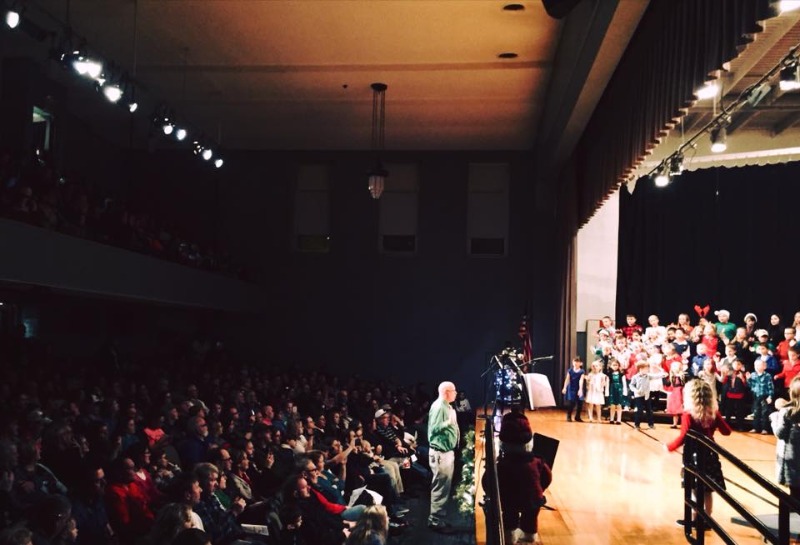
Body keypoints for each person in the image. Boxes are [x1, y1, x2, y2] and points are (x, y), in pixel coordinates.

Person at [667, 379, 732, 530]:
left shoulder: (688, 415)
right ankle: (706, 519)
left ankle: (696, 518)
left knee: (694, 488)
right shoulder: (713, 413)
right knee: (708, 489)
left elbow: (684, 436)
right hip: (710, 453)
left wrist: (670, 447)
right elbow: (727, 431)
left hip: (693, 454)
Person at [492, 410, 550, 545]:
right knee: (530, 518)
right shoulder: (537, 461)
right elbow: (547, 477)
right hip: (532, 498)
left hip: (509, 499)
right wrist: (540, 489)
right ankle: (529, 536)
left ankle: (509, 537)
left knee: (509, 517)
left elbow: (487, 483)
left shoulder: (502, 465)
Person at [427, 381, 458, 534]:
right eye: (454, 391)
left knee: (443, 487)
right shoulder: (440, 407)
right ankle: (435, 521)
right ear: (446, 392)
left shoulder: (445, 405)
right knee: (440, 488)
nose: (456, 393)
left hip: (445, 453)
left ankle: (438, 518)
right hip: (441, 454)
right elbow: (434, 429)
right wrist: (448, 422)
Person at [771, 375, 800, 501]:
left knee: (794, 494)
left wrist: (774, 418)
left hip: (793, 460)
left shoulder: (788, 412)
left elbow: (780, 433)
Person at [561, 357, 584, 422]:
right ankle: (569, 416)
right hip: (571, 388)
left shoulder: (582, 371)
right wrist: (564, 387)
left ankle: (577, 416)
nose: (576, 363)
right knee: (572, 403)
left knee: (580, 402)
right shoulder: (570, 370)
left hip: (578, 387)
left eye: (577, 362)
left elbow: (581, 380)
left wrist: (580, 389)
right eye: (574, 362)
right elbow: (567, 379)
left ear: (580, 363)